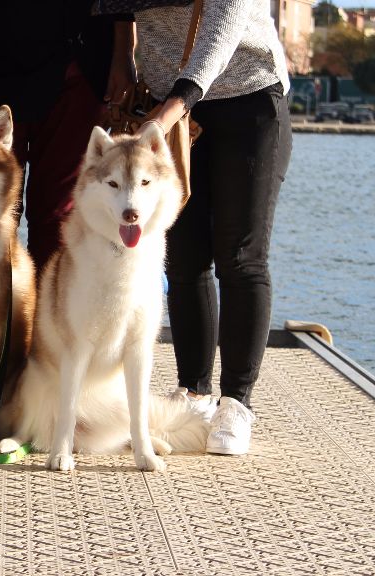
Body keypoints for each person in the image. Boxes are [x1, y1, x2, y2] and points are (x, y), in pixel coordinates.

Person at [124, 0, 292, 455]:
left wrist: (177, 103)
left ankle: (236, 401)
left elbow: (225, 20)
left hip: (248, 97)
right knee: (183, 257)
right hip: (170, 110)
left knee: (240, 255)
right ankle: (193, 393)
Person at [0, 0, 135, 272]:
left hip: (77, 66)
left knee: (59, 216)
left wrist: (124, 50)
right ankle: (0, 313)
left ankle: (46, 312)